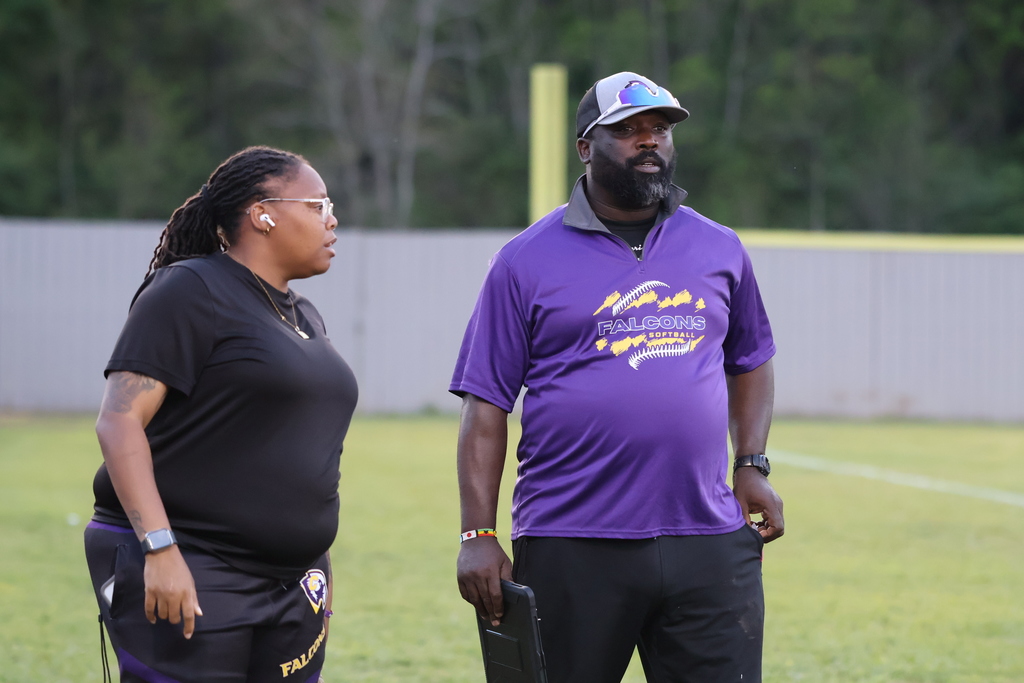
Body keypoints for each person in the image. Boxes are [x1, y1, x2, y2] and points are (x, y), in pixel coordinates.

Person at [452, 72, 784, 682]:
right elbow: (485, 404)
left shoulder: (720, 247)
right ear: (586, 147)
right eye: (627, 131)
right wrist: (478, 530)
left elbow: (752, 358)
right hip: (572, 540)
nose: (648, 141)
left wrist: (752, 463)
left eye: (658, 128)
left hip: (707, 539)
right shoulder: (525, 258)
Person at [84, 146, 358, 682]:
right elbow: (119, 421)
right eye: (317, 203)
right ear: (263, 213)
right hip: (193, 560)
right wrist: (159, 550)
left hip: (293, 579)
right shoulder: (189, 289)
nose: (332, 218)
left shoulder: (303, 314)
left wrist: (309, 551)